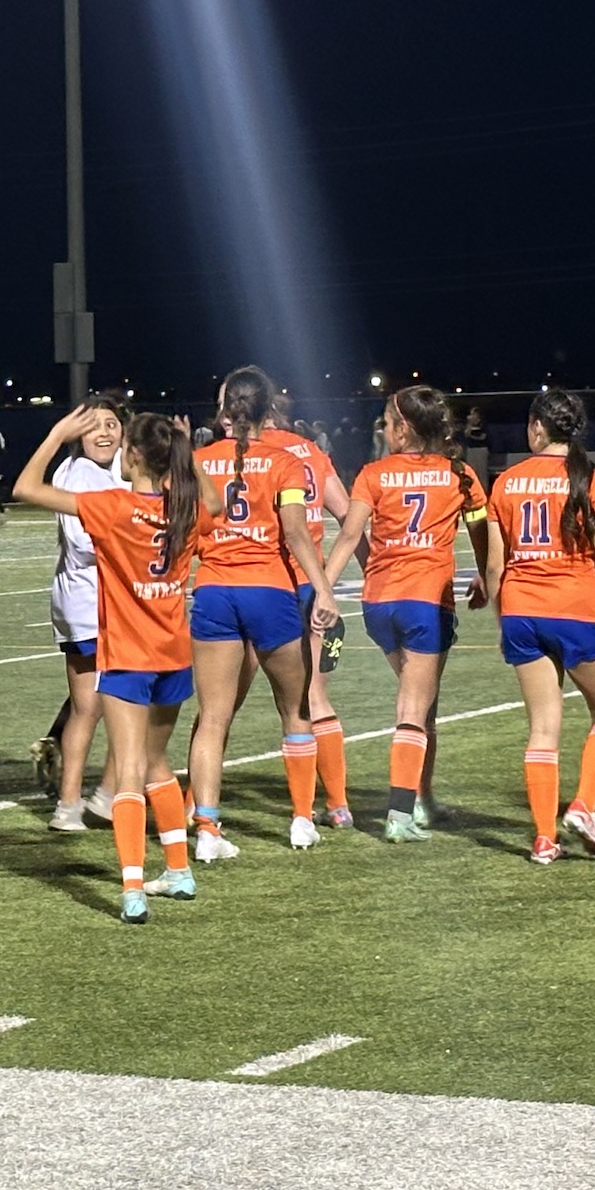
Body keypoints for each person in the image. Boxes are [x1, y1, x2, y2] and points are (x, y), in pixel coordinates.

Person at [15, 408, 201, 924]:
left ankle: (133, 890)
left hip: (128, 659)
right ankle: (180, 872)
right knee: (157, 764)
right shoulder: (187, 507)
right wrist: (185, 450)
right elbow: (211, 503)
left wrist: (56, 434)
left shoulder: (112, 506)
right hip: (173, 657)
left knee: (129, 774)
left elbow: (26, 487)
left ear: (134, 455)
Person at [184, 367, 341, 857]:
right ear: (268, 408)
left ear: (226, 409)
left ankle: (207, 829)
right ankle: (300, 819)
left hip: (213, 590)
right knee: (294, 709)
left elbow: (184, 529)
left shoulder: (197, 461)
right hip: (269, 590)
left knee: (213, 716)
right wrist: (324, 591)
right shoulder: (286, 461)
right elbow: (295, 531)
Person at [323, 386, 490, 842]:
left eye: (386, 421)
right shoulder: (460, 476)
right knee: (415, 708)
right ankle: (401, 812)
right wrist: (487, 577)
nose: (382, 428)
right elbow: (482, 538)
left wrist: (324, 589)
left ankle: (424, 798)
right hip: (425, 602)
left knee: (424, 705)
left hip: (378, 603)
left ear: (405, 429)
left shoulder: (373, 474)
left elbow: (348, 535)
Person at [486, 389, 595, 864]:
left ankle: (542, 837)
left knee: (542, 728)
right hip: (575, 610)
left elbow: (495, 568)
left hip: (522, 611)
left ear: (537, 426)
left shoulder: (505, 482)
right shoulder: (591, 481)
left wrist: (503, 620)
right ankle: (583, 805)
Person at [267, 390, 358, 830]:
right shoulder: (312, 453)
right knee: (314, 696)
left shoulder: (254, 453)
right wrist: (336, 578)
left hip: (267, 584)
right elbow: (347, 515)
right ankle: (338, 804)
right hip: (310, 588)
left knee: (223, 703)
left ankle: (198, 809)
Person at [38, 396, 128, 831]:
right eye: (95, 426)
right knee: (118, 704)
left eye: (112, 424)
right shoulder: (77, 473)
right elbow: (83, 541)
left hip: (100, 600)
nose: (105, 433)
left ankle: (77, 802)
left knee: (90, 707)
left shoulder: (115, 470)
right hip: (92, 603)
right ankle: (99, 797)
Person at [461, 406, 492, 489]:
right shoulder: (468, 426)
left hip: (481, 450)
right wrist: (469, 425)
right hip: (471, 449)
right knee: (472, 471)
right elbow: (465, 434)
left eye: (473, 414)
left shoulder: (483, 425)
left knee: (482, 472)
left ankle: (484, 490)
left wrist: (472, 435)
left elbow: (483, 437)